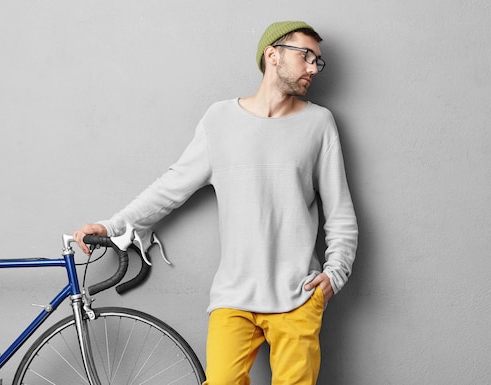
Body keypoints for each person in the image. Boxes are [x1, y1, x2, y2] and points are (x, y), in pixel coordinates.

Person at [73, 20, 358, 385]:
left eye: (318, 61)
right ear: (272, 55)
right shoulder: (220, 119)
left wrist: (334, 275)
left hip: (299, 296)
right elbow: (171, 187)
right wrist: (112, 226)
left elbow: (341, 214)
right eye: (306, 56)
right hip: (233, 297)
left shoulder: (319, 123)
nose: (312, 68)